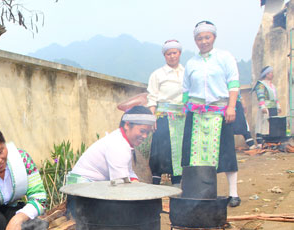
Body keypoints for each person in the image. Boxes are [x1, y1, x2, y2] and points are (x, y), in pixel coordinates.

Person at [182, 21, 241, 207]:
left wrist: (231, 107)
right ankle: (201, 193)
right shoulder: (191, 63)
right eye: (199, 38)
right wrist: (187, 108)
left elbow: (233, 83)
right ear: (195, 40)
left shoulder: (224, 57)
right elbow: (186, 90)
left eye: (207, 37)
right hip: (197, 114)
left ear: (214, 37)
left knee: (226, 153)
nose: (203, 41)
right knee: (194, 155)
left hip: (220, 112)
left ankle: (233, 194)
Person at [66, 106, 156, 184]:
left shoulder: (123, 142)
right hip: (81, 187)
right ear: (127, 125)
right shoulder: (118, 145)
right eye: (142, 131)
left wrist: (137, 184)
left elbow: (128, 172)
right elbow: (120, 183)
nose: (145, 136)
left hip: (92, 186)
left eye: (148, 133)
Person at [147, 39, 186, 186]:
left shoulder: (186, 73)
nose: (172, 56)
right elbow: (152, 97)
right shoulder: (157, 74)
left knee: (179, 151)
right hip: (163, 117)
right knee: (160, 151)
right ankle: (155, 184)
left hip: (181, 118)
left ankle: (177, 184)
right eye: (168, 53)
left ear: (179, 53)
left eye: (174, 53)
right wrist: (152, 118)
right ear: (165, 55)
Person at [254, 65, 281, 145]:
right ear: (266, 74)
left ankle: (271, 141)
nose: (272, 74)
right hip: (265, 108)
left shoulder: (272, 86)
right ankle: (260, 142)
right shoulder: (261, 84)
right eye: (270, 73)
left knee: (272, 124)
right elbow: (260, 96)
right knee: (262, 124)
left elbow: (275, 97)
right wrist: (263, 106)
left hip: (273, 107)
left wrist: (278, 106)